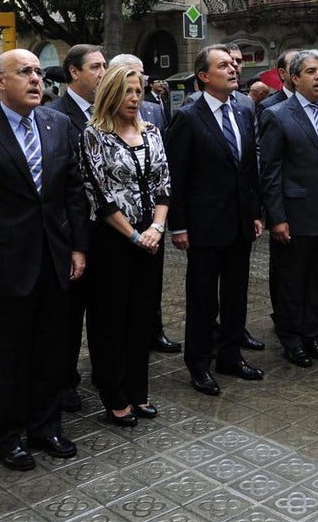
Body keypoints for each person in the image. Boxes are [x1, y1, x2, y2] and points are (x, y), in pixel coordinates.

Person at [0, 49, 88, 471]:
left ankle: (45, 427)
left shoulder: (57, 123)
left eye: (37, 72)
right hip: (4, 265)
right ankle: (6, 434)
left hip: (55, 258)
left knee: (51, 349)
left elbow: (73, 192)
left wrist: (78, 247)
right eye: (24, 72)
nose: (35, 79)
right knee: (9, 355)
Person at [166, 45, 265, 397]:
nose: (233, 70)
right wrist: (178, 225)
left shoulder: (243, 109)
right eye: (223, 66)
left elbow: (248, 168)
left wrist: (256, 212)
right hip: (204, 226)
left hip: (239, 222)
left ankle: (230, 355)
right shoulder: (189, 117)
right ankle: (198, 362)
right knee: (203, 298)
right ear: (204, 76)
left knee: (236, 294)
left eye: (232, 65)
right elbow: (176, 175)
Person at [80, 65, 170, 427]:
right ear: (111, 94)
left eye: (139, 91)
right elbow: (98, 194)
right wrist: (134, 235)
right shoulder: (93, 135)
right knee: (110, 319)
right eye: (127, 91)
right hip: (113, 241)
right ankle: (114, 396)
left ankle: (138, 392)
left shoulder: (152, 132)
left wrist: (158, 228)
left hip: (152, 239)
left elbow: (165, 182)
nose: (135, 98)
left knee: (141, 318)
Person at [259, 49, 318, 367]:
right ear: (295, 78)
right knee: (292, 280)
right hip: (295, 215)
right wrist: (277, 217)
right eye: (311, 72)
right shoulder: (277, 115)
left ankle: (310, 334)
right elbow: (270, 172)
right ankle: (291, 339)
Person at [46, 43, 110, 414]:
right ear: (74, 72)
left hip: (109, 232)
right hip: (71, 235)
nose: (103, 72)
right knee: (68, 318)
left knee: (105, 311)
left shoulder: (111, 113)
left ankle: (104, 373)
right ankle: (64, 380)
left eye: (105, 66)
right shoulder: (54, 116)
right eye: (96, 66)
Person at [107, 52, 185, 354]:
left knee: (150, 287)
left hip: (153, 222)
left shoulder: (153, 113)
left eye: (141, 83)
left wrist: (159, 224)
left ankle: (154, 330)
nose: (136, 93)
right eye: (129, 84)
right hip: (116, 227)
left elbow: (163, 173)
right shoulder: (95, 129)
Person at [255, 48, 299, 115]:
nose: (301, 70)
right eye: (295, 65)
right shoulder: (268, 107)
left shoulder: (316, 102)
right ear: (282, 73)